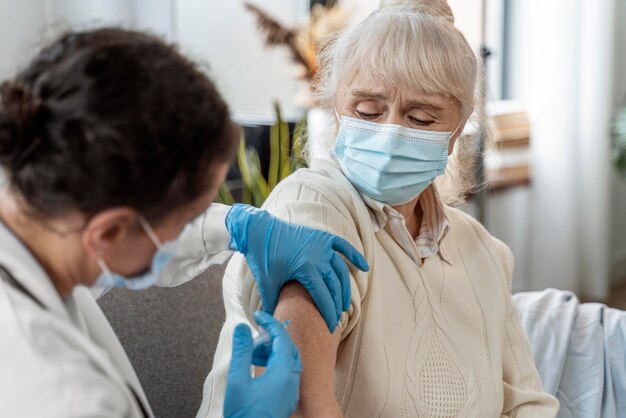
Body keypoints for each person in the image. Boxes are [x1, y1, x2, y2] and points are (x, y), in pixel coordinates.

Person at [202, 1, 560, 417]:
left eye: (421, 118)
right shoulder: (315, 207)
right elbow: (301, 402)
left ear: (457, 130)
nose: (389, 132)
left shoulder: (484, 250)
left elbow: (527, 403)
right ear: (336, 108)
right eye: (367, 111)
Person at [0, 28, 368, 418]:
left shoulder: (39, 211)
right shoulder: (56, 391)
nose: (189, 227)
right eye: (186, 218)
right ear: (108, 233)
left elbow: (140, 236)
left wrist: (236, 224)